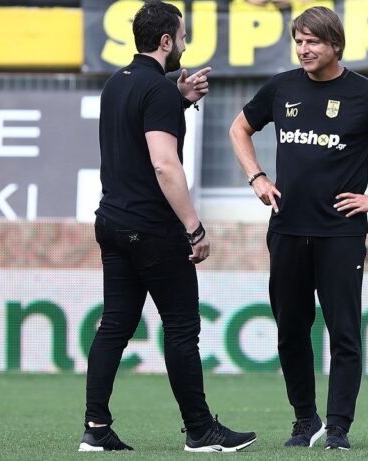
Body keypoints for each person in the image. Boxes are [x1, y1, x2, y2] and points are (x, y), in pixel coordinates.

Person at [229, 6, 368, 451]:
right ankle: (305, 421)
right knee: (290, 330)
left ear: (335, 45)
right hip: (286, 229)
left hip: (340, 234)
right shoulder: (281, 88)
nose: (304, 49)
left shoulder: (366, 94)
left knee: (343, 333)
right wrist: (256, 177)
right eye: (299, 41)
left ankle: (338, 428)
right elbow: (239, 128)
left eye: (313, 42)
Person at [79, 0, 256, 453]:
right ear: (165, 41)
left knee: (114, 325)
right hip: (152, 228)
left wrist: (177, 98)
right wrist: (194, 227)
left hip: (112, 221)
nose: (184, 45)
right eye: (181, 37)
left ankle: (96, 429)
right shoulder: (157, 90)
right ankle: (200, 430)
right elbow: (164, 164)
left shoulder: (117, 83)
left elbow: (138, 128)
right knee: (180, 328)